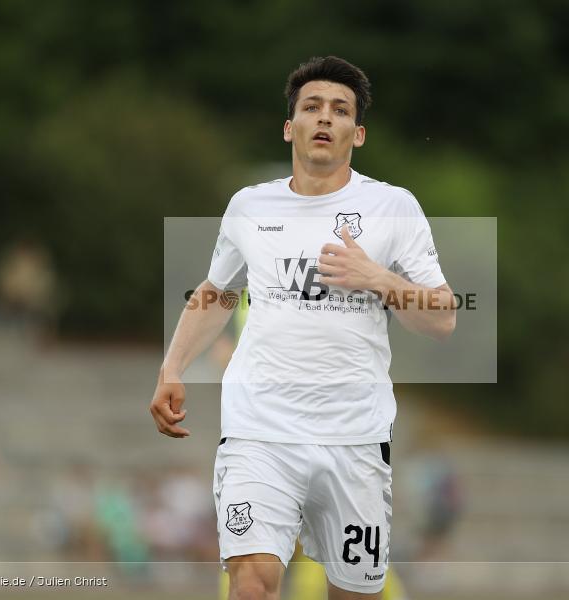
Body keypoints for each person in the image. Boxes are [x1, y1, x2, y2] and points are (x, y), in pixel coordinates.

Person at [151, 56, 455, 600]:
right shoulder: (249, 206)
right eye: (311, 106)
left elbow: (443, 315)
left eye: (340, 110)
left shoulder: (392, 206)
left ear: (357, 134)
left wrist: (376, 278)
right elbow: (216, 292)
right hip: (260, 429)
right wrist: (172, 366)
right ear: (289, 126)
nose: (324, 118)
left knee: (353, 592)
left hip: (355, 435)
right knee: (252, 583)